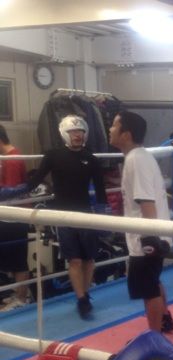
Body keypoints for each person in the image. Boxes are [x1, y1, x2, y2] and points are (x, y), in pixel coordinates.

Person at [25, 116, 108, 319]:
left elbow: (100, 190)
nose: (77, 135)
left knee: (89, 259)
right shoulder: (53, 156)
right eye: (73, 132)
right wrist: (13, 192)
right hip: (63, 216)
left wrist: (104, 216)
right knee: (74, 260)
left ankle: (85, 295)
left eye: (80, 131)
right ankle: (81, 299)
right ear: (65, 133)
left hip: (86, 215)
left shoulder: (91, 159)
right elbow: (35, 180)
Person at [108, 111, 173, 333]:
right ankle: (165, 319)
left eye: (114, 125)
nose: (109, 129)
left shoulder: (136, 159)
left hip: (145, 236)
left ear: (126, 134)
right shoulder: (139, 157)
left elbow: (147, 201)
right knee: (152, 281)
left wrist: (149, 238)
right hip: (150, 233)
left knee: (148, 288)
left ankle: (154, 337)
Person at [0, 124, 31, 311]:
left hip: (14, 217)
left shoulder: (11, 159)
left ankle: (21, 298)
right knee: (11, 258)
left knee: (18, 260)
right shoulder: (7, 157)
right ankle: (17, 295)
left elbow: (9, 192)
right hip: (8, 216)